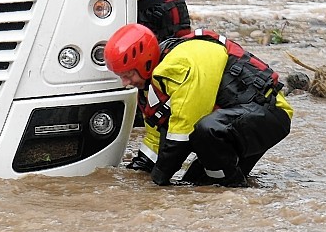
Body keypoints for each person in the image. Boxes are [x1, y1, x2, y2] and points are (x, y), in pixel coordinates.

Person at [105, 22, 292, 186]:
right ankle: (235, 192)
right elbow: (156, 139)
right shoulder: (151, 88)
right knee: (196, 184)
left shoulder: (178, 65)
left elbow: (182, 132)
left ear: (144, 63)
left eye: (128, 74)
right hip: (236, 123)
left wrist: (156, 183)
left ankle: (233, 194)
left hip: (269, 114)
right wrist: (136, 174)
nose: (125, 82)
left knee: (206, 137)